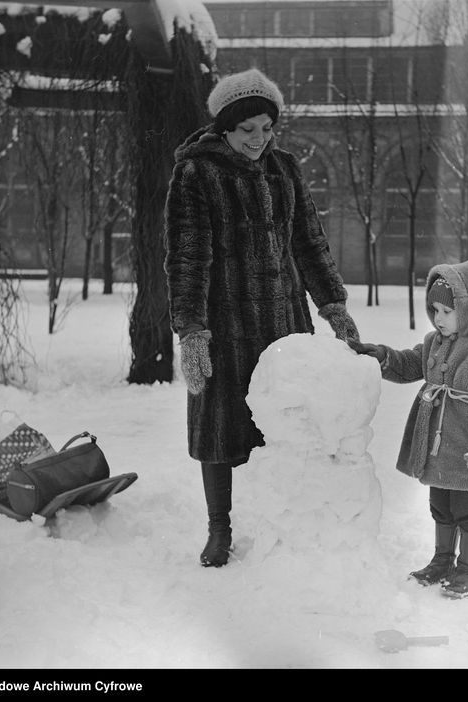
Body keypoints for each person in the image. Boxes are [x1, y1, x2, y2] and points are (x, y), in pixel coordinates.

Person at [164, 68, 360, 568]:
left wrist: (332, 304)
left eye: (267, 128)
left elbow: (309, 242)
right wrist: (190, 329)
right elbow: (188, 256)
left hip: (284, 325)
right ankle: (219, 527)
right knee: (220, 428)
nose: (259, 139)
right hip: (223, 324)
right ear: (225, 129)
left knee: (287, 425)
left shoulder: (285, 170)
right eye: (247, 129)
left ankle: (281, 523)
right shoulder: (196, 173)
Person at [349, 259, 468, 598]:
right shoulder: (434, 342)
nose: (438, 318)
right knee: (440, 505)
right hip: (437, 446)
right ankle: (442, 560)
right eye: (434, 310)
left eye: (447, 311)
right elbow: (412, 363)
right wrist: (382, 356)